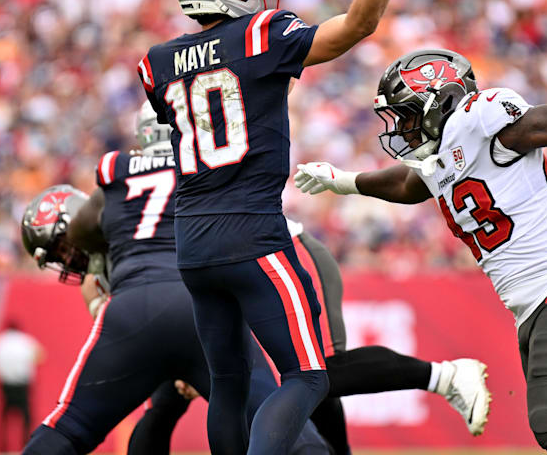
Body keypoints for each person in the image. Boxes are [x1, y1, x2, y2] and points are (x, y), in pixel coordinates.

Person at [293, 48, 547, 454]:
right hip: (536, 303)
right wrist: (342, 181)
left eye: (408, 115)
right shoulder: (444, 155)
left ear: (442, 102)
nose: (402, 129)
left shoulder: (483, 121)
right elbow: (404, 185)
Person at [137, 0, 429, 455]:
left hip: (191, 241)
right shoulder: (259, 34)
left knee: (227, 382)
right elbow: (358, 25)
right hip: (253, 233)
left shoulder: (156, 62)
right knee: (309, 377)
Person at [117, 103, 491, 455]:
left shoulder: (153, 178)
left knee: (316, 372)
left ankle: (442, 376)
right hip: (223, 270)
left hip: (281, 254)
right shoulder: (141, 186)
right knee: (175, 393)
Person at [17, 135, 330, 455]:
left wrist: (99, 256)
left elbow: (81, 231)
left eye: (66, 251)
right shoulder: (209, 164)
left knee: (71, 426)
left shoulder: (115, 172)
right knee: (280, 422)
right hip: (203, 303)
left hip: (137, 306)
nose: (70, 259)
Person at [0, 321, 44, 453]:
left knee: (4, 418)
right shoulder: (25, 341)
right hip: (22, 385)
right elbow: (40, 356)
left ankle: (3, 448)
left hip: (5, 385)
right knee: (26, 417)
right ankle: (26, 445)